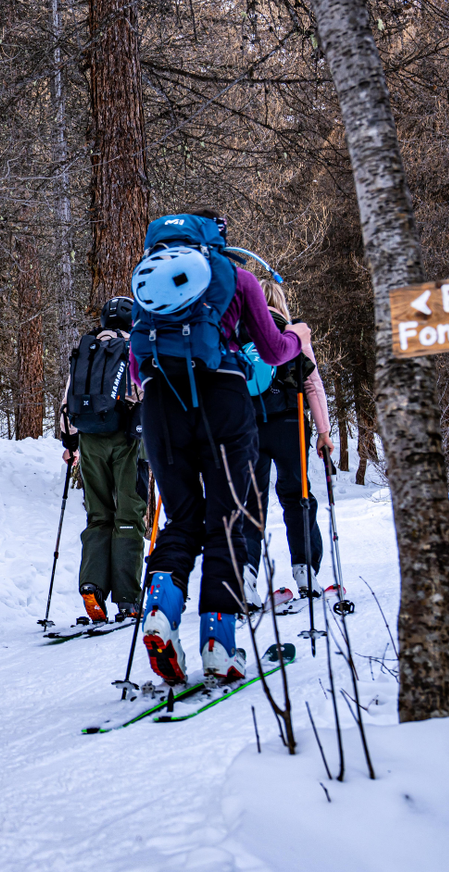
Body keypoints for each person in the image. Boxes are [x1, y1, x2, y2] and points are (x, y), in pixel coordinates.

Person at [129, 211, 307, 686]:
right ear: (217, 238)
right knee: (228, 519)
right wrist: (297, 340)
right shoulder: (238, 276)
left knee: (183, 519)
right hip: (224, 400)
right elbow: (271, 351)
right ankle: (218, 645)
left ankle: (160, 615)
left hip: (161, 405)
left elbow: (135, 365)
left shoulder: (147, 284)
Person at [240, 280, 334, 610]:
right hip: (289, 424)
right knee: (298, 495)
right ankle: (306, 571)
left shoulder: (239, 330)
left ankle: (247, 576)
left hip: (247, 427)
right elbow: (312, 382)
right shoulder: (290, 332)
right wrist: (323, 431)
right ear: (280, 301)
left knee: (251, 502)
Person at [59, 297, 148, 624]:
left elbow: (68, 400)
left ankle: (92, 585)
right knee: (128, 515)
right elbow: (145, 392)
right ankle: (128, 600)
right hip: (127, 440)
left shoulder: (88, 349)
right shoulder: (135, 346)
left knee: (98, 516)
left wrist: (70, 444)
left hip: (89, 441)